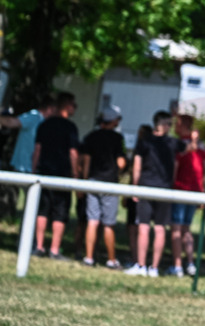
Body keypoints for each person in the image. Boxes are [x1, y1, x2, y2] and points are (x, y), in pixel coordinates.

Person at [125, 111, 181, 277]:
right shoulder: (171, 143)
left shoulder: (146, 142)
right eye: (168, 123)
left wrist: (134, 186)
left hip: (148, 187)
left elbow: (137, 166)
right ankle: (151, 267)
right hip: (160, 188)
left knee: (147, 227)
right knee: (156, 228)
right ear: (160, 124)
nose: (169, 127)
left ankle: (144, 266)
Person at [32, 92, 79, 259]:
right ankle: (54, 249)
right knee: (60, 212)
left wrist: (33, 170)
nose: (75, 108)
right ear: (66, 105)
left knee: (42, 210)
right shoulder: (70, 127)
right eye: (74, 105)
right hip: (62, 175)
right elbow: (73, 153)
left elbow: (37, 149)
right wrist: (75, 174)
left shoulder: (44, 125)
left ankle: (39, 247)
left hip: (43, 172)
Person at [80, 106, 127, 268]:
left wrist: (84, 181)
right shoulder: (117, 138)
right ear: (113, 121)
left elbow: (86, 162)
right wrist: (118, 173)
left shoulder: (91, 137)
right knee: (108, 223)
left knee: (92, 220)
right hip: (110, 184)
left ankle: (89, 257)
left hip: (93, 181)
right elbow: (121, 162)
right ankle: (111, 259)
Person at [168, 113, 205, 278]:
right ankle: (190, 263)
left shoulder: (179, 144)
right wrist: (202, 189)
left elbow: (174, 168)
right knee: (186, 229)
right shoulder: (202, 147)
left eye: (176, 124)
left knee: (176, 229)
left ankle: (177, 265)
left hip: (181, 189)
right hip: (195, 191)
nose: (174, 127)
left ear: (182, 125)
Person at [0, 94, 56, 174]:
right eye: (55, 109)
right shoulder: (34, 116)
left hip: (31, 168)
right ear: (50, 108)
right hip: (24, 168)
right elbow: (11, 122)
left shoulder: (44, 121)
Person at [124, 124, 152, 264]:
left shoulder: (143, 151)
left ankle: (137, 260)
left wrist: (133, 190)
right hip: (135, 191)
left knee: (136, 227)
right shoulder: (140, 150)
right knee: (133, 227)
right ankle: (135, 258)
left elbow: (135, 172)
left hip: (138, 192)